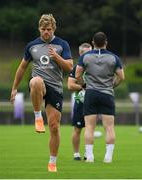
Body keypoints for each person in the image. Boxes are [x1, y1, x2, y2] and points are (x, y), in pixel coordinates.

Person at [10, 14, 73, 172]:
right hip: (39, 85)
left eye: (49, 29)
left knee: (54, 127)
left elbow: (69, 68)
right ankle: (38, 116)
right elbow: (22, 67)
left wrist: (57, 57)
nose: (46, 32)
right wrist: (14, 88)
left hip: (55, 87)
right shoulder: (32, 46)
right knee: (35, 81)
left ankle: (52, 162)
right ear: (39, 28)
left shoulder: (62, 44)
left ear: (54, 29)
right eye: (43, 29)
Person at [76, 32, 125, 163]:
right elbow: (121, 76)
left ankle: (90, 157)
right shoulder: (114, 58)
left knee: (89, 127)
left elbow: (77, 75)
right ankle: (108, 157)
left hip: (91, 93)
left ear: (93, 42)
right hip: (107, 94)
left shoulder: (85, 57)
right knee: (109, 127)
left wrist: (84, 85)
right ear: (106, 43)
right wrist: (112, 85)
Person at [68, 43, 92, 161]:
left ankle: (88, 154)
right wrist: (85, 87)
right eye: (86, 53)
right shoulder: (76, 67)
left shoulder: (95, 67)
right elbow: (70, 85)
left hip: (93, 102)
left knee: (90, 128)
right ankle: (76, 154)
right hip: (80, 101)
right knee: (77, 129)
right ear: (80, 54)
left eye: (90, 52)